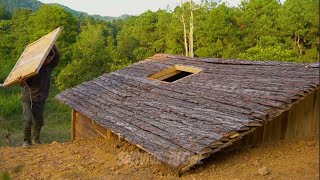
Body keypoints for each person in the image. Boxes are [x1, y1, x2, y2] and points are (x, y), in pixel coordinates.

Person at [17, 44, 60, 147]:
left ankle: (36, 140)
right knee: (28, 120)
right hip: (28, 98)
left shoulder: (49, 67)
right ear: (42, 57)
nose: (49, 60)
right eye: (47, 58)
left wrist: (51, 42)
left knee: (39, 121)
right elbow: (23, 84)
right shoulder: (32, 68)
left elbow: (57, 54)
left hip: (40, 98)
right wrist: (20, 82)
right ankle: (26, 141)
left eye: (50, 58)